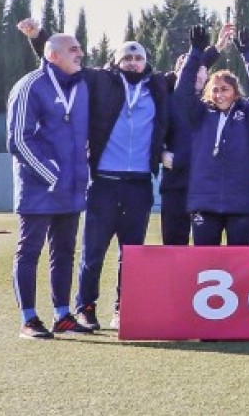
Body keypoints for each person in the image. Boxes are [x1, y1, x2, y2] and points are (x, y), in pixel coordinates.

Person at [19, 18, 172, 332]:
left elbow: (190, 78)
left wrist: (211, 51)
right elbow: (60, 60)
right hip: (103, 181)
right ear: (116, 61)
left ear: (146, 62)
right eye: (127, 57)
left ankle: (123, 309)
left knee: (132, 253)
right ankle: (85, 307)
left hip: (140, 183)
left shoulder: (157, 86)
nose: (133, 62)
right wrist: (38, 37)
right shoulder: (100, 80)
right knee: (93, 251)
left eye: (138, 57)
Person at [7, 33, 94, 338]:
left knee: (65, 251)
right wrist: (51, 174)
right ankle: (29, 319)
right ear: (54, 55)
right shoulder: (30, 85)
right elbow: (18, 140)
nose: (80, 53)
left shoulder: (81, 86)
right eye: (73, 50)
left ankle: (62, 315)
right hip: (39, 188)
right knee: (30, 251)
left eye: (79, 49)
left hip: (72, 188)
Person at [175, 26, 249, 245]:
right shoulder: (199, 114)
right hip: (204, 202)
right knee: (206, 261)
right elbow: (182, 92)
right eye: (215, 90)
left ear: (235, 92)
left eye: (225, 89)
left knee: (239, 262)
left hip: (240, 203)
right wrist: (195, 52)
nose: (220, 95)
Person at [159, 35, 225, 247]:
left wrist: (216, 48)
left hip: (205, 187)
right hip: (175, 185)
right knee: (174, 246)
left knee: (206, 248)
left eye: (201, 70)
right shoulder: (166, 100)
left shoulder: (215, 104)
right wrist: (160, 153)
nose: (196, 74)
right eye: (190, 70)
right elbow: (151, 133)